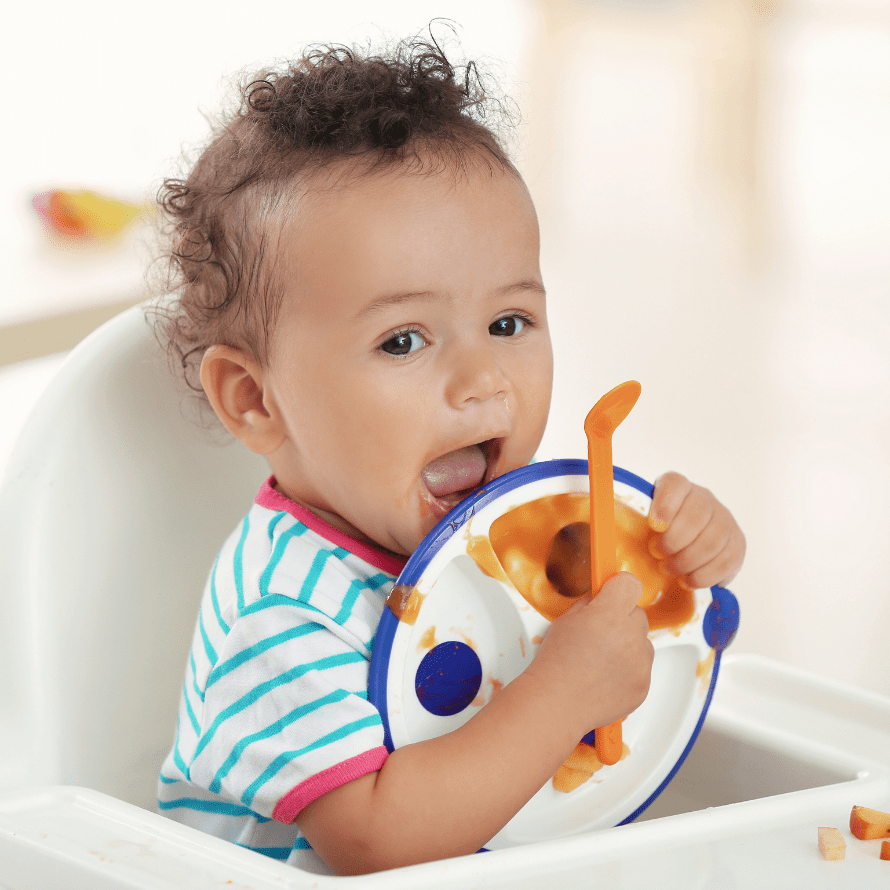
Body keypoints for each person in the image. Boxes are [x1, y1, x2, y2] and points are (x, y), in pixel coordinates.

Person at [153, 34, 746, 876]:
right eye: (403, 340)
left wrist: (690, 552)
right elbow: (374, 842)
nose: (481, 380)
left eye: (509, 324)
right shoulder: (281, 609)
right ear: (257, 399)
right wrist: (565, 694)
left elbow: (642, 618)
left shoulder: (521, 532)